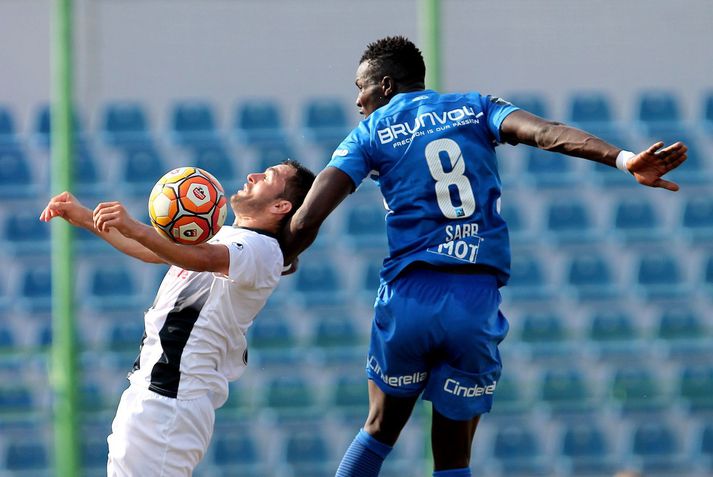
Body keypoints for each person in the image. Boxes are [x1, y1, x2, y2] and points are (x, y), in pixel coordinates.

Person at [281, 36, 687, 477]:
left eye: (359, 88)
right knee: (454, 457)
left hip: (409, 297)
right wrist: (625, 160)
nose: (357, 101)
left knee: (379, 430)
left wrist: (284, 256)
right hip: (474, 301)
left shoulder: (369, 133)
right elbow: (547, 133)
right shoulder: (475, 107)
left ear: (383, 85)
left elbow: (305, 220)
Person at [40, 160, 315, 476]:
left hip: (170, 401)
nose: (252, 175)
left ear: (281, 205)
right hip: (154, 395)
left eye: (268, 176)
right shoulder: (226, 235)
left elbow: (202, 258)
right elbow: (152, 251)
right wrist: (88, 218)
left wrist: (136, 226)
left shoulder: (263, 251)